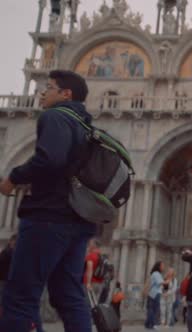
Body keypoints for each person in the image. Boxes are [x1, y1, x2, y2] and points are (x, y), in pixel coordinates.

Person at [0, 70, 97, 332]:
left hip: (48, 216)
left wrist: (13, 177)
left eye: (49, 87)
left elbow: (49, 159)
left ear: (66, 94)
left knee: (20, 293)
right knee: (68, 294)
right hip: (79, 219)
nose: (43, 92)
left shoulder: (55, 116)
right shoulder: (87, 124)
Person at [146, 261, 167, 330]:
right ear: (159, 267)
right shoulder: (156, 274)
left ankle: (148, 324)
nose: (163, 267)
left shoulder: (154, 274)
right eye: (162, 266)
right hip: (155, 293)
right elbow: (161, 283)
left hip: (152, 293)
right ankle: (152, 324)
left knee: (151, 309)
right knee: (154, 309)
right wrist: (167, 281)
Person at [0, 234, 17, 303]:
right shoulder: (7, 252)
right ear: (10, 241)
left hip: (6, 280)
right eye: (14, 242)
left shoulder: (7, 251)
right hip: (4, 280)